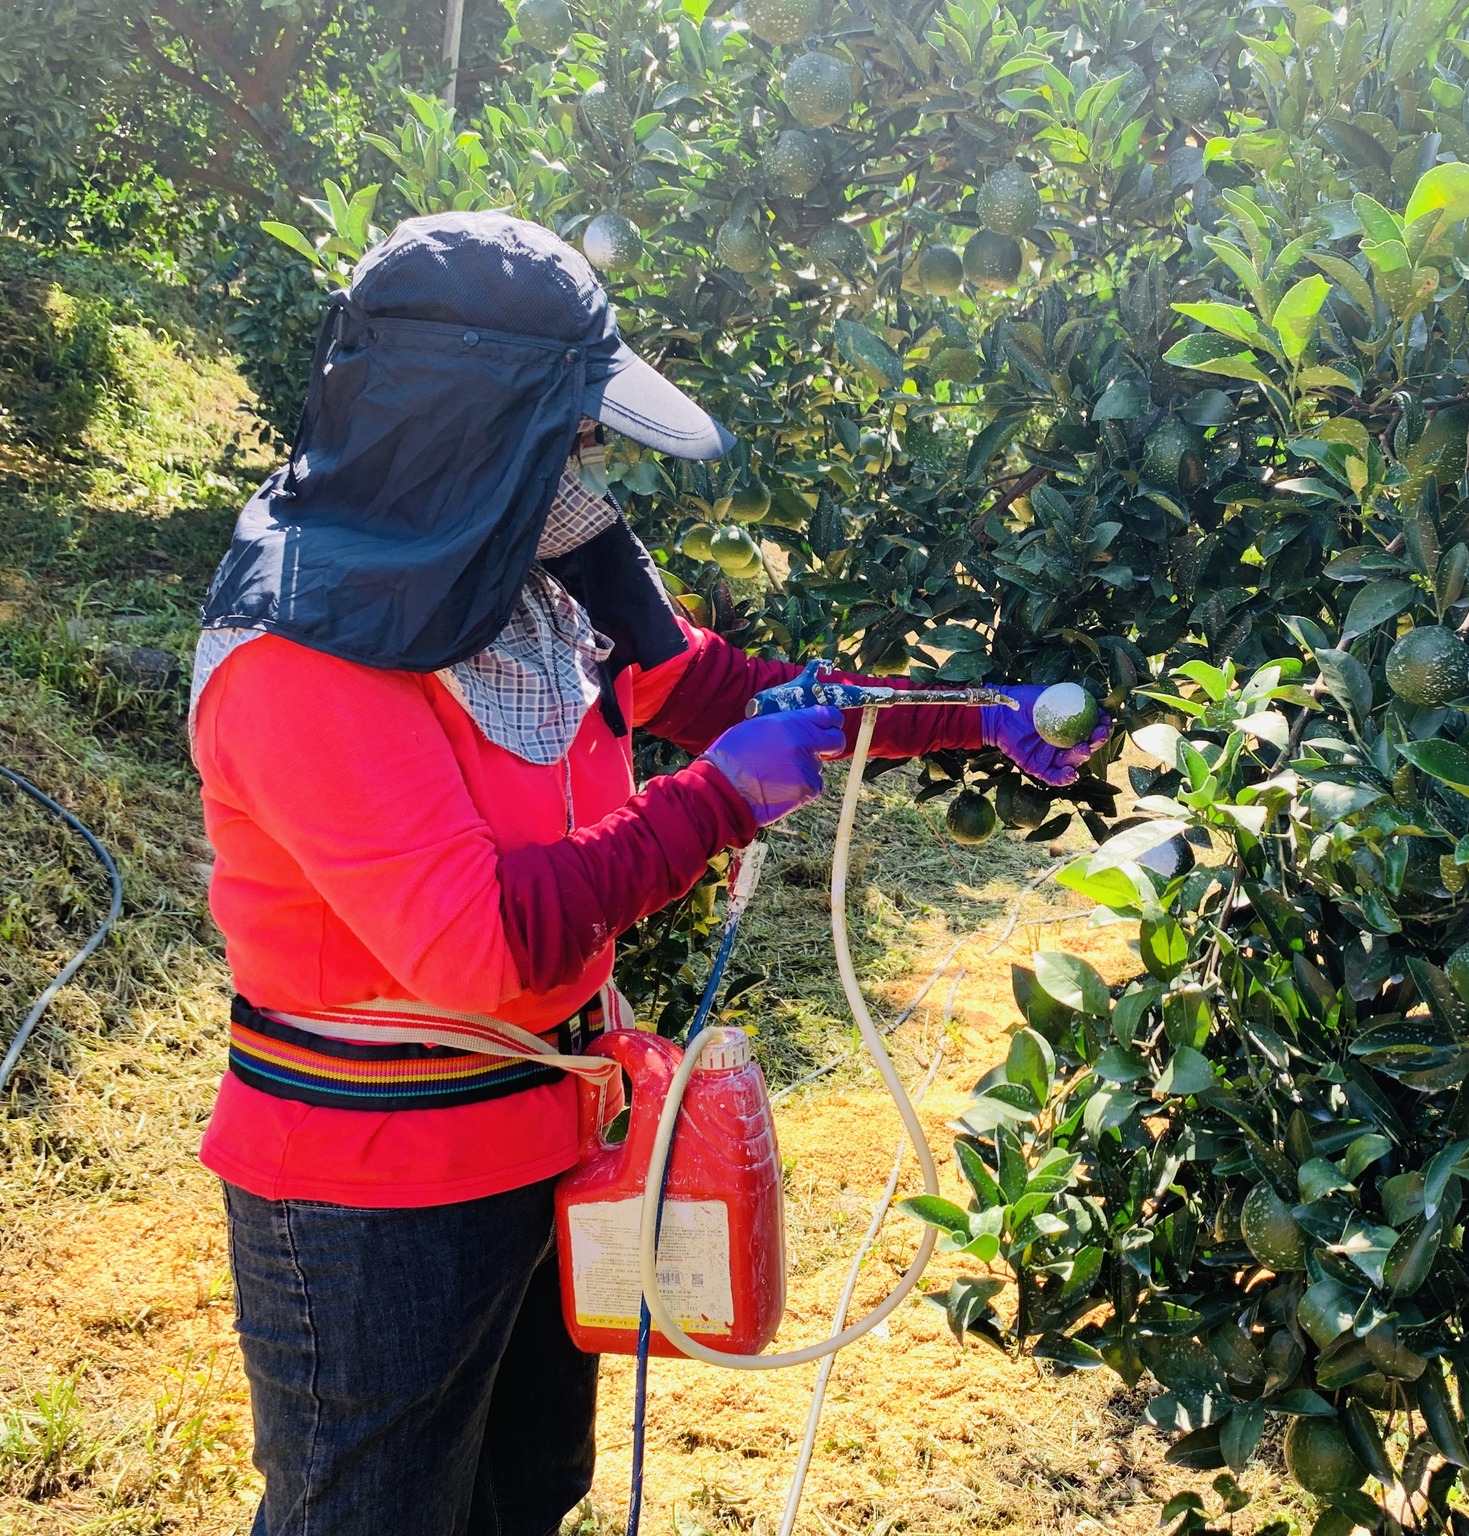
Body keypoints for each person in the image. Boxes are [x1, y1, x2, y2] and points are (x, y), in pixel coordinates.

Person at [187, 211, 1108, 1536]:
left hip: (551, 1136)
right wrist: (724, 801)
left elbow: (731, 695)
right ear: (475, 429)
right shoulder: (302, 654)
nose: (592, 457)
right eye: (570, 430)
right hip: (374, 1197)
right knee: (372, 1511)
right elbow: (488, 945)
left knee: (529, 1493)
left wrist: (973, 714)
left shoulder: (533, 568)